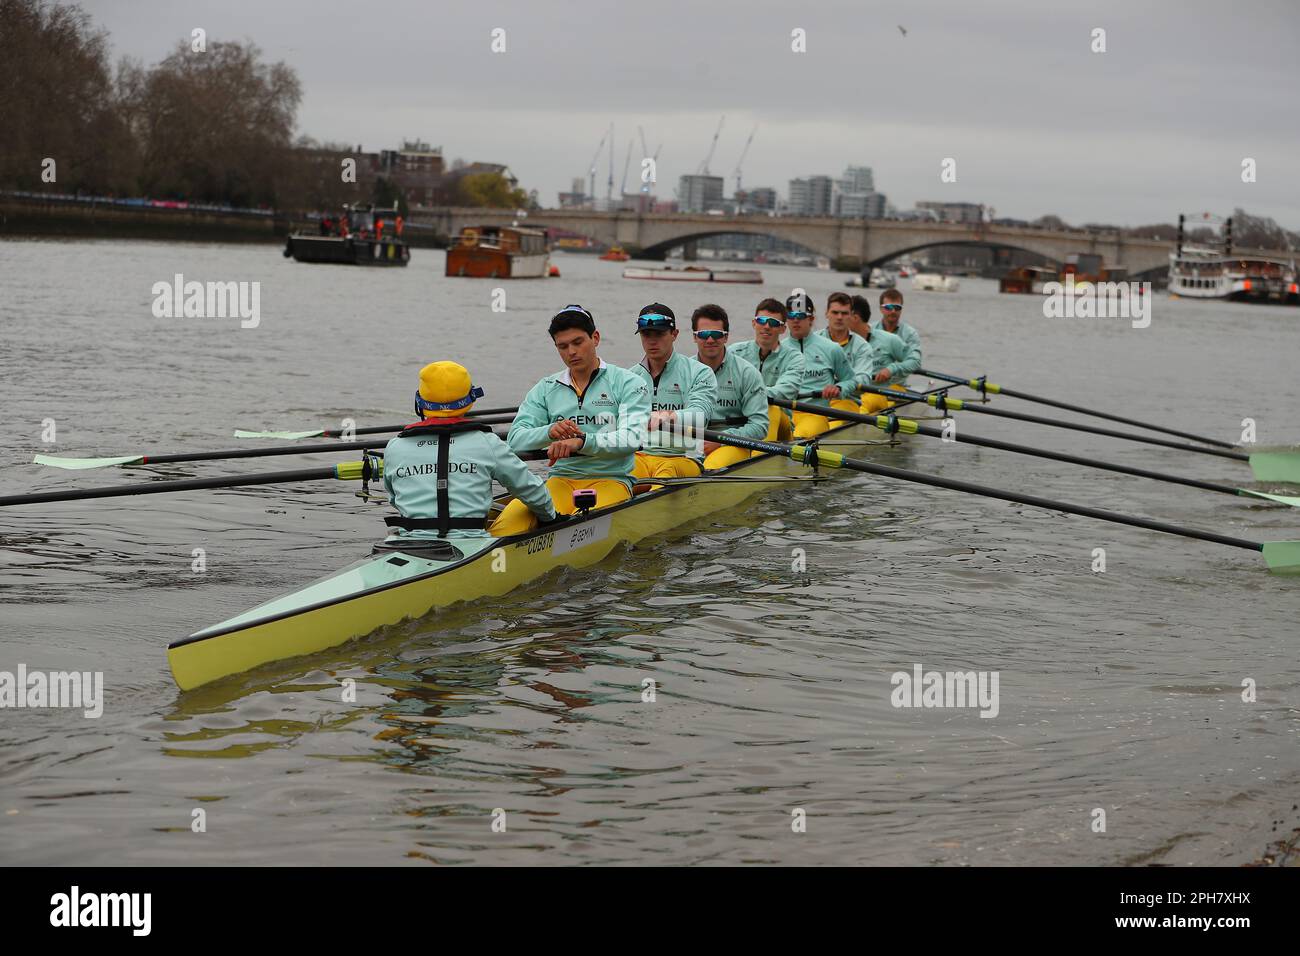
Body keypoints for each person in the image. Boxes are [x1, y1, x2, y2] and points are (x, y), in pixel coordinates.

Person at [488, 305, 650, 536]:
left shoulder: (628, 383)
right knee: (505, 530)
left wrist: (581, 442)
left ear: (595, 338)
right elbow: (515, 441)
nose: (571, 352)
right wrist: (549, 431)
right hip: (561, 481)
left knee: (573, 528)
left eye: (578, 342)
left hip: (610, 480)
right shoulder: (545, 388)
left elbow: (632, 438)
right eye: (562, 347)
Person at [382, 361, 556, 543]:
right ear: (470, 399)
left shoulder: (395, 446)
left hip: (411, 543)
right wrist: (551, 518)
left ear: (420, 401)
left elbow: (395, 499)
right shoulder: (488, 442)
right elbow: (529, 488)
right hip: (472, 543)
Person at [628, 303, 718, 481]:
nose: (652, 341)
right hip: (639, 457)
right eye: (646, 334)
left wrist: (667, 416)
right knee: (618, 474)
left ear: (674, 334)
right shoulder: (630, 377)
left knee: (666, 472)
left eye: (660, 334)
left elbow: (701, 415)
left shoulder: (699, 372)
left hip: (683, 457)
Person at [690, 304, 770, 469]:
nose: (710, 340)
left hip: (731, 444)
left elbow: (759, 426)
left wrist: (722, 439)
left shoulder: (747, 373)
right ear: (694, 337)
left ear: (726, 337)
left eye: (717, 334)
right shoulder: (683, 371)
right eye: (704, 334)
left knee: (711, 468)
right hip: (692, 443)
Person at [783, 292, 857, 438]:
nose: (796, 321)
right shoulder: (777, 349)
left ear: (811, 319)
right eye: (791, 316)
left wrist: (838, 388)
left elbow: (851, 381)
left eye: (801, 316)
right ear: (786, 319)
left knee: (800, 435)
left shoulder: (831, 348)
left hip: (815, 414)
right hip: (785, 415)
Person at [731, 297, 804, 443]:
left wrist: (750, 395)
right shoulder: (734, 352)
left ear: (783, 329)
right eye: (761, 320)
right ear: (754, 323)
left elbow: (784, 391)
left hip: (779, 420)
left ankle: (761, 457)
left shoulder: (794, 357)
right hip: (740, 419)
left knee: (770, 407)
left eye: (773, 323)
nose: (766, 326)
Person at [815, 291, 874, 420]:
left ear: (851, 316)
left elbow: (863, 378)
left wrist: (840, 387)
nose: (839, 317)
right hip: (813, 401)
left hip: (847, 401)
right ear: (826, 313)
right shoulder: (812, 340)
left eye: (844, 313)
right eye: (835, 313)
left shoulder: (862, 347)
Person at [849, 294, 911, 413]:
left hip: (877, 393)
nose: (840, 318)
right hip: (851, 394)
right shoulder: (837, 342)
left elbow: (914, 363)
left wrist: (891, 369)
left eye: (845, 314)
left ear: (855, 317)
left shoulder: (889, 339)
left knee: (863, 404)